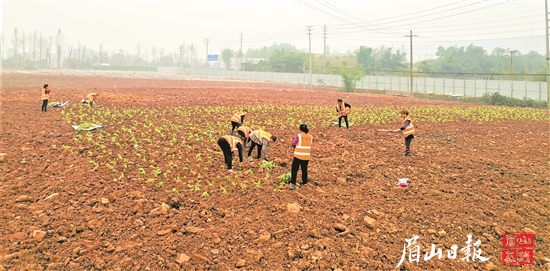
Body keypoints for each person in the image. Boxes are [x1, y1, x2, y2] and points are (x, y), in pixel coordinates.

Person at [289, 124, 313, 190]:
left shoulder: (298, 136)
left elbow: (293, 143)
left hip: (298, 156)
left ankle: (292, 184)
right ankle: (305, 182)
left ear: (300, 129)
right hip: (306, 156)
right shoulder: (310, 137)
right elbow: (310, 145)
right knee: (304, 170)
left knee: (294, 170)